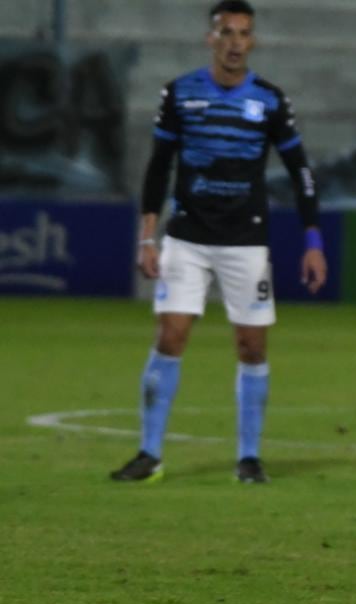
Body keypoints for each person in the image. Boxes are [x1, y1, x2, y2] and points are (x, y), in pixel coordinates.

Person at [109, 0, 326, 484]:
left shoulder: (270, 100)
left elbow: (301, 173)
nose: (234, 42)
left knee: (251, 346)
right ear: (210, 38)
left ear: (253, 41)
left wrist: (313, 239)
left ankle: (249, 457)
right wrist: (148, 237)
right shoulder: (180, 93)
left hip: (246, 240)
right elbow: (158, 167)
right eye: (225, 32)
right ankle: (149, 453)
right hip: (186, 235)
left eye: (243, 33)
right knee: (171, 335)